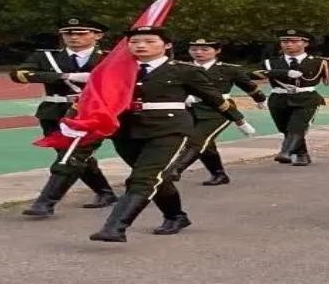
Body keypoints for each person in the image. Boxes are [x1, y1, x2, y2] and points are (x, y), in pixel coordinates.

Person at [89, 26, 243, 243]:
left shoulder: (183, 70)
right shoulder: (117, 69)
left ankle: (115, 227)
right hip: (126, 130)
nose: (141, 46)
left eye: (149, 41)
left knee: (142, 178)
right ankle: (176, 216)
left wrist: (237, 118)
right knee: (155, 178)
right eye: (135, 42)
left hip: (168, 129)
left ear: (167, 45)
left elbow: (213, 97)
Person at [9, 17, 117, 216]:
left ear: (98, 35)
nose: (74, 37)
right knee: (70, 155)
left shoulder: (110, 58)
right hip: (54, 111)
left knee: (71, 156)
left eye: (81, 33)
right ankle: (105, 192)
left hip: (92, 113)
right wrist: (64, 76)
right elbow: (19, 74)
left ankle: (45, 203)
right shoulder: (46, 57)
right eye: (68, 33)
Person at [250, 29, 329, 166]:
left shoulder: (319, 62)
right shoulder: (270, 63)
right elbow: (250, 75)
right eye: (285, 41)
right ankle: (302, 154)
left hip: (306, 98)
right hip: (279, 98)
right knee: (285, 128)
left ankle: (286, 152)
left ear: (305, 43)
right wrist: (283, 72)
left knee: (297, 126)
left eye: (294, 41)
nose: (289, 44)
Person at [175, 38, 266, 186]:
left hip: (219, 110)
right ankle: (219, 174)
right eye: (194, 49)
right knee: (206, 143)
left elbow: (248, 86)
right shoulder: (180, 68)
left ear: (217, 51)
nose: (198, 52)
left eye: (205, 49)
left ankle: (174, 170)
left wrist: (260, 100)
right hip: (189, 110)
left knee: (196, 140)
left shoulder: (229, 69)